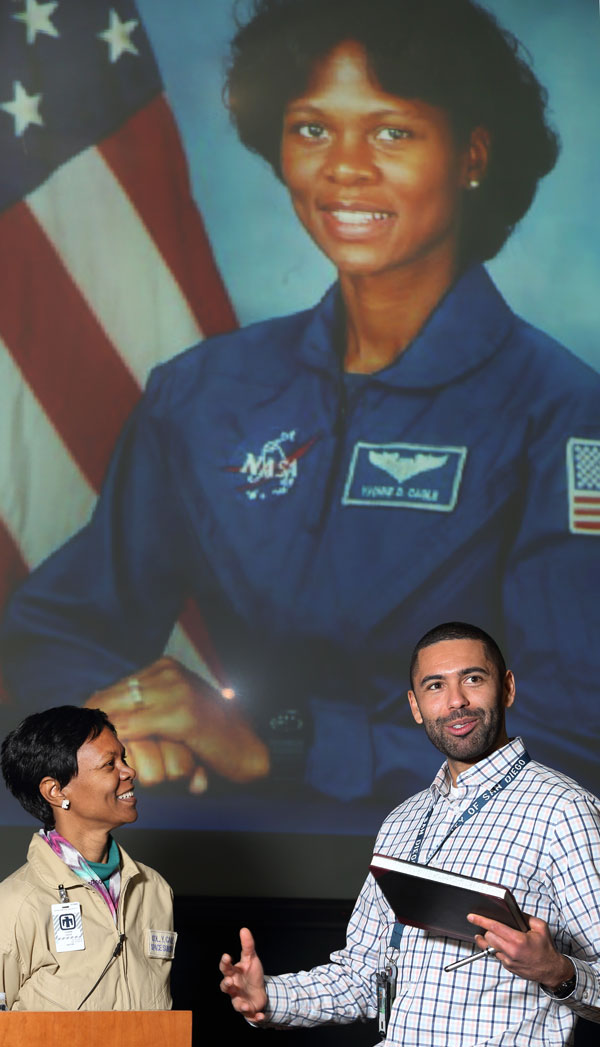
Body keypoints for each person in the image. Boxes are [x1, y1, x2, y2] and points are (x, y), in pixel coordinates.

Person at [1, 0, 599, 819]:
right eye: (314, 128)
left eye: (392, 131)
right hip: (214, 849)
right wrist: (119, 723)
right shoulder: (204, 392)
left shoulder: (560, 415)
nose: (343, 168)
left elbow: (570, 737)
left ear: (472, 154)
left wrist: (282, 738)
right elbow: (58, 622)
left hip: (443, 880)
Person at [219, 622, 600, 1045]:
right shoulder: (402, 820)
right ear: (416, 706)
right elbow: (361, 977)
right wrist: (268, 996)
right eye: (435, 686)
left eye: (473, 679)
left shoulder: (563, 810)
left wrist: (557, 972)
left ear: (507, 688)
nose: (456, 701)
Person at [0, 706, 175, 1010]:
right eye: (110, 764)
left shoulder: (154, 889)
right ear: (55, 791)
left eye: (124, 759)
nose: (129, 772)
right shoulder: (15, 905)